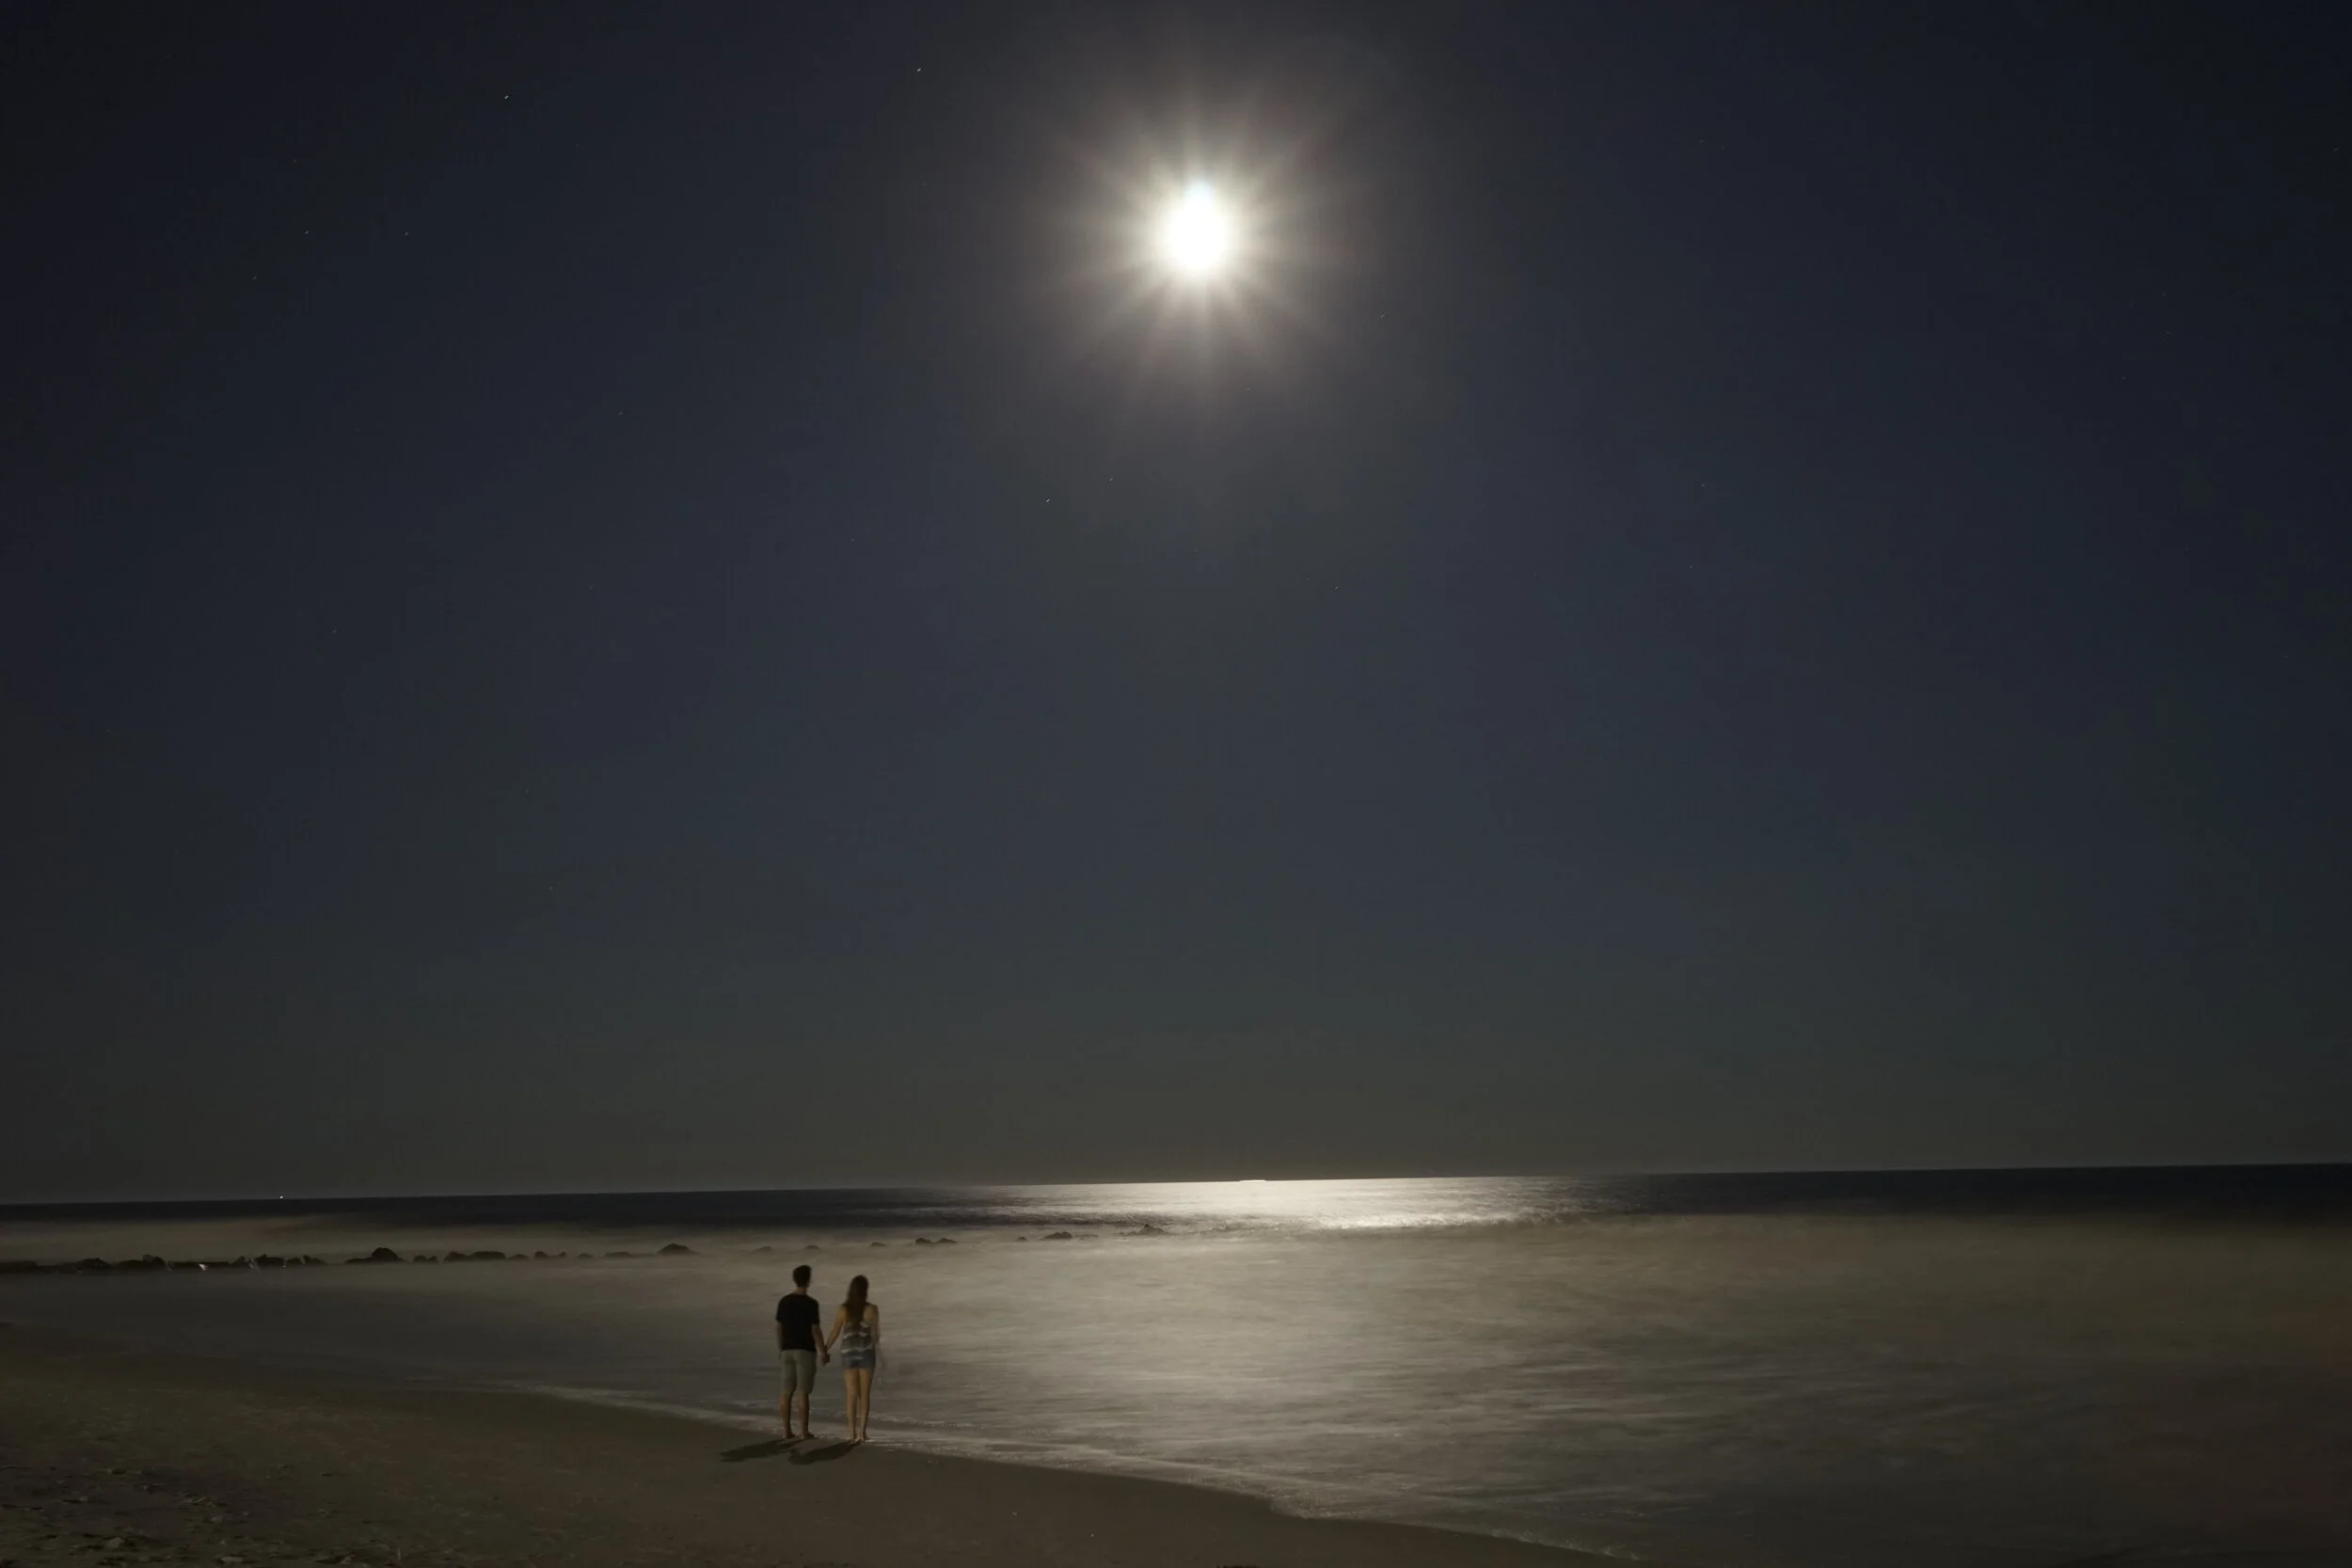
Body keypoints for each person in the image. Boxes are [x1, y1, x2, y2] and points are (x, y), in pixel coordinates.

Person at [823, 1272, 880, 1442]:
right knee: (864, 1394)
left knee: (851, 1394)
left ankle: (851, 1433)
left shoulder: (843, 1309)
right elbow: (876, 1336)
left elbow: (834, 1332)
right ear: (865, 1290)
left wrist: (824, 1349)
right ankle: (862, 1433)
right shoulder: (872, 1309)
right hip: (866, 1353)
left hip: (848, 1354)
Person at [773, 1263, 826, 1440]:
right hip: (805, 1350)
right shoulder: (811, 1304)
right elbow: (815, 1330)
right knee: (803, 1392)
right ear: (808, 1280)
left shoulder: (784, 1301)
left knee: (786, 1391)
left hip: (787, 1348)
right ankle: (804, 1431)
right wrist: (823, 1350)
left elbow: (779, 1327)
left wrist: (781, 1347)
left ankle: (786, 1430)